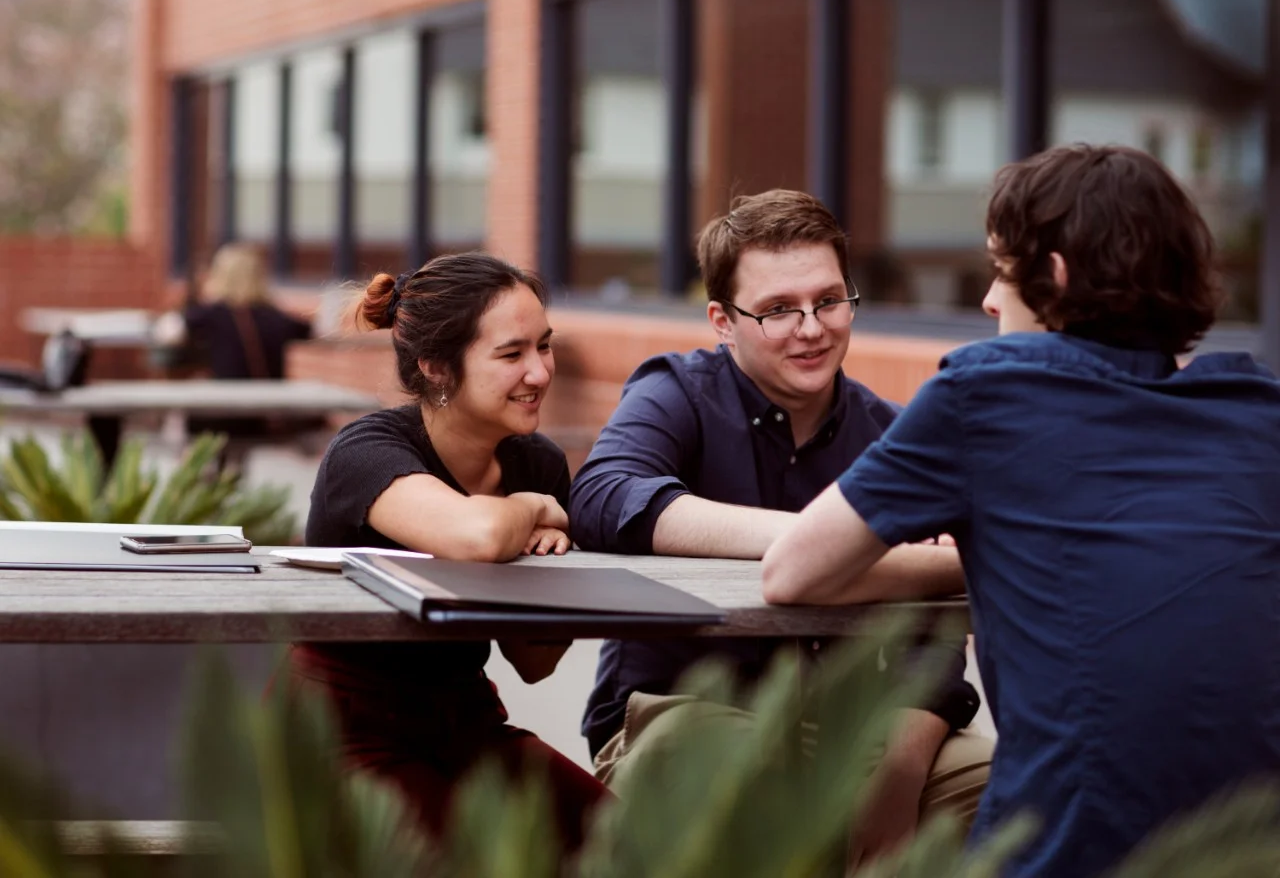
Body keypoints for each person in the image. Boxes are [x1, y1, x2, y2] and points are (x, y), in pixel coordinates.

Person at [762, 145, 1280, 877]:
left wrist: (958, 563)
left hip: (1066, 847)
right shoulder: (1256, 412)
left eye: (1002, 271)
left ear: (1057, 276)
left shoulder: (989, 394)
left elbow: (792, 572)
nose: (989, 300)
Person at [570, 189, 991, 861]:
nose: (812, 327)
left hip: (849, 728)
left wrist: (902, 775)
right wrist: (816, 542)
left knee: (1006, 785)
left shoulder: (890, 432)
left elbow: (931, 638)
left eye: (828, 300)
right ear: (721, 320)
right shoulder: (675, 391)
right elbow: (603, 495)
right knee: (737, 774)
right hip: (681, 715)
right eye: (776, 310)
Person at [291, 251, 609, 853]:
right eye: (512, 354)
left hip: (467, 724)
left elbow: (535, 663)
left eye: (545, 346)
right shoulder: (366, 452)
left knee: (630, 843)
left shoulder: (534, 461)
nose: (540, 372)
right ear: (437, 366)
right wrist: (536, 511)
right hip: (343, 732)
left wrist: (549, 567)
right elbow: (476, 536)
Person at [154, 243, 315, 465]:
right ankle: (230, 481)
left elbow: (167, 331)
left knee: (190, 413)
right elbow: (315, 329)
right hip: (263, 417)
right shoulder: (276, 317)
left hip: (221, 416)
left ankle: (202, 484)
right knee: (233, 453)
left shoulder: (211, 313)